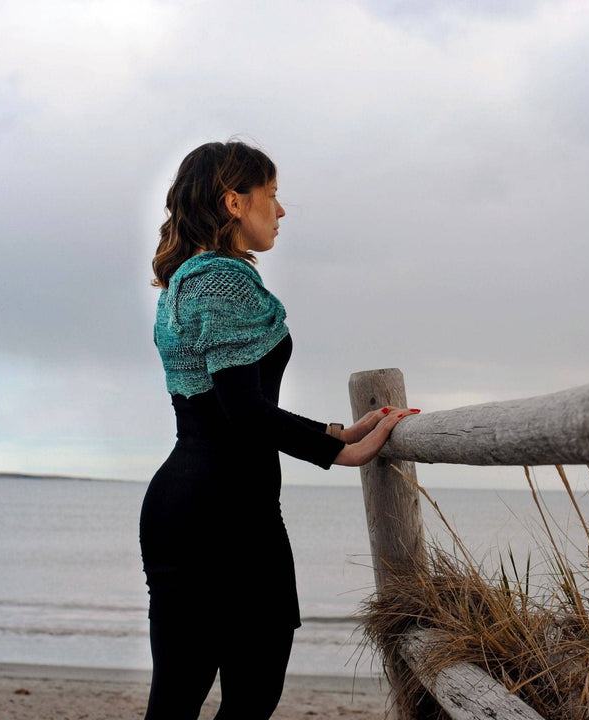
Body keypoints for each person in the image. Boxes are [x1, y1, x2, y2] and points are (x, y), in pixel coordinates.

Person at [139, 140, 419, 720]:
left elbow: (223, 409)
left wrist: (336, 431)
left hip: (185, 507)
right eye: (272, 195)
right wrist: (342, 453)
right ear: (234, 202)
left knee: (175, 699)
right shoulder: (224, 280)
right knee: (251, 696)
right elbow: (243, 412)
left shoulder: (183, 283)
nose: (281, 211)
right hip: (227, 514)